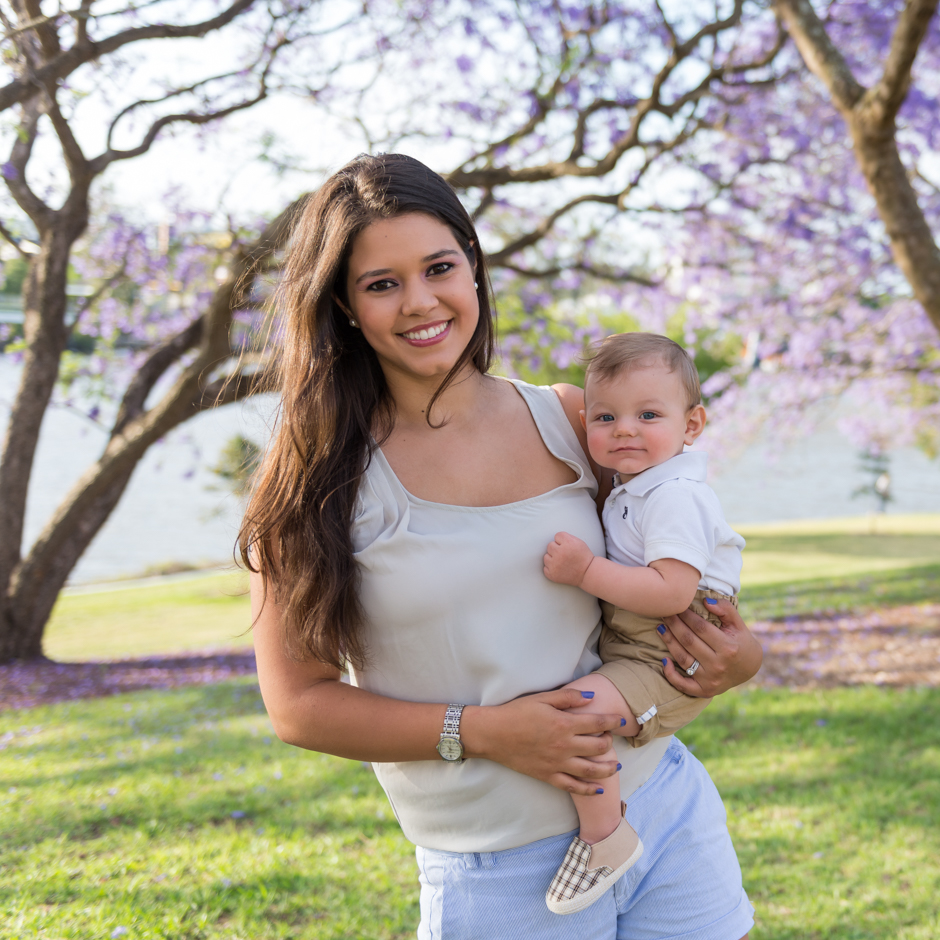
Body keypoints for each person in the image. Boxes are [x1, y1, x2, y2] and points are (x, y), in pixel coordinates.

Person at [242, 152, 762, 940]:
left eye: (439, 268)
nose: (421, 302)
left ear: (474, 270)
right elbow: (298, 705)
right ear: (345, 307)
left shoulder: (574, 420)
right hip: (501, 871)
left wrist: (739, 658)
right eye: (382, 284)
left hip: (664, 812)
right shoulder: (314, 481)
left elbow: (682, 562)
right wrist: (479, 731)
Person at [540, 332, 746, 915]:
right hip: (639, 637)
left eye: (648, 414)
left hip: (668, 648)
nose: (624, 429)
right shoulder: (636, 486)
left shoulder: (676, 494)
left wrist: (585, 570)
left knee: (578, 714)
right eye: (605, 416)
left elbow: (671, 591)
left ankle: (606, 838)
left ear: (692, 424)